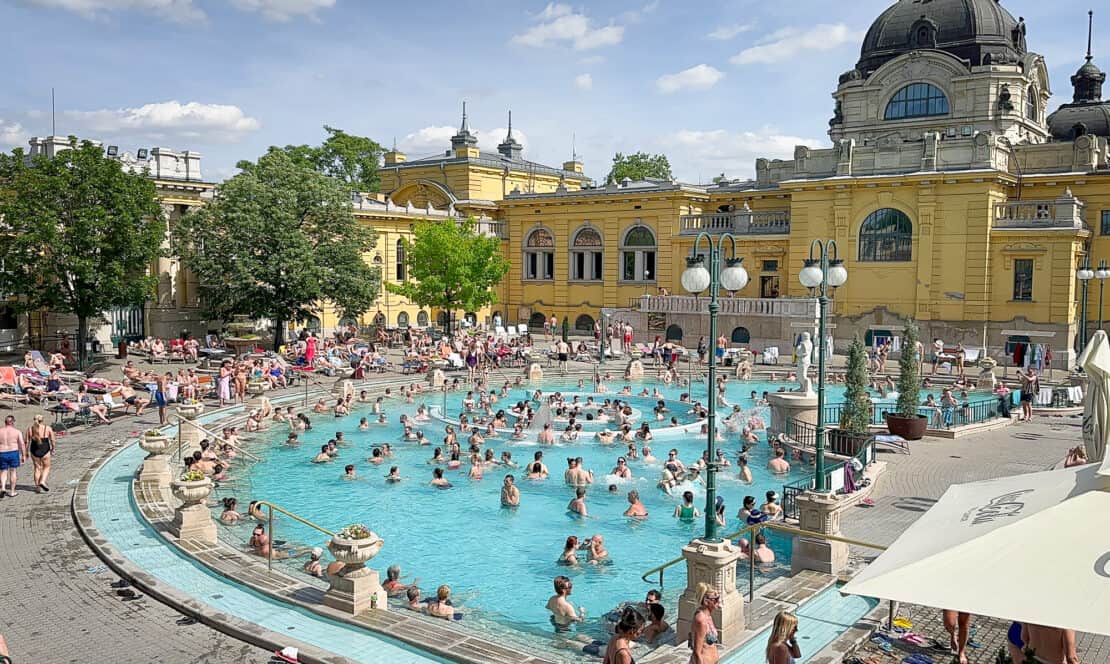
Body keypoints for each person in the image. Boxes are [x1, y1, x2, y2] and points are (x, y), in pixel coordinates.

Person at [688, 582, 720, 664]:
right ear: (706, 601)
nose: (718, 601)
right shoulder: (701, 620)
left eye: (718, 597)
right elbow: (697, 652)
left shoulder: (708, 615)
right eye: (715, 599)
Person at [26, 413, 55, 492]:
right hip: (45, 449)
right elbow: (52, 439)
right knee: (46, 467)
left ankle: (38, 488)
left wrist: (26, 452)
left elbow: (27, 442)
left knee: (37, 468)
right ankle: (42, 481)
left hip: (34, 449)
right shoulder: (47, 428)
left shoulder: (30, 429)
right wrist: (53, 448)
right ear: (42, 420)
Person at [0, 415, 26, 497]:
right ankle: (12, 491)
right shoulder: (17, 432)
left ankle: (3, 488)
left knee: (3, 471)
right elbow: (22, 444)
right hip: (13, 452)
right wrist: (23, 455)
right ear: (13, 422)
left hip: (2, 452)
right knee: (13, 471)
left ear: (5, 422)